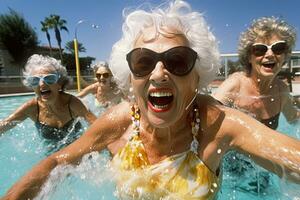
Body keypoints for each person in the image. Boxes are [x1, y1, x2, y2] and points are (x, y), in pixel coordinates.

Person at [2, 1, 300, 199]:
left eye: (178, 61)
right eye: (144, 62)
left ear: (197, 77)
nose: (159, 74)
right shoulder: (118, 121)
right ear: (130, 76)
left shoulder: (217, 124)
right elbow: (56, 161)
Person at [213, 16, 300, 194]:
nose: (269, 54)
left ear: (285, 55)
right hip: (231, 173)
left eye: (278, 48)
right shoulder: (235, 85)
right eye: (260, 49)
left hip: (264, 170)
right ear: (249, 57)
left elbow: (293, 120)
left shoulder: (281, 90)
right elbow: (206, 114)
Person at [0, 54, 96, 152]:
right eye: (35, 80)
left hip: (77, 151)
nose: (41, 84)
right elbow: (4, 125)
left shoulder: (72, 103)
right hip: (51, 153)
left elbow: (98, 126)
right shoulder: (31, 108)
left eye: (49, 78)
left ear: (59, 83)